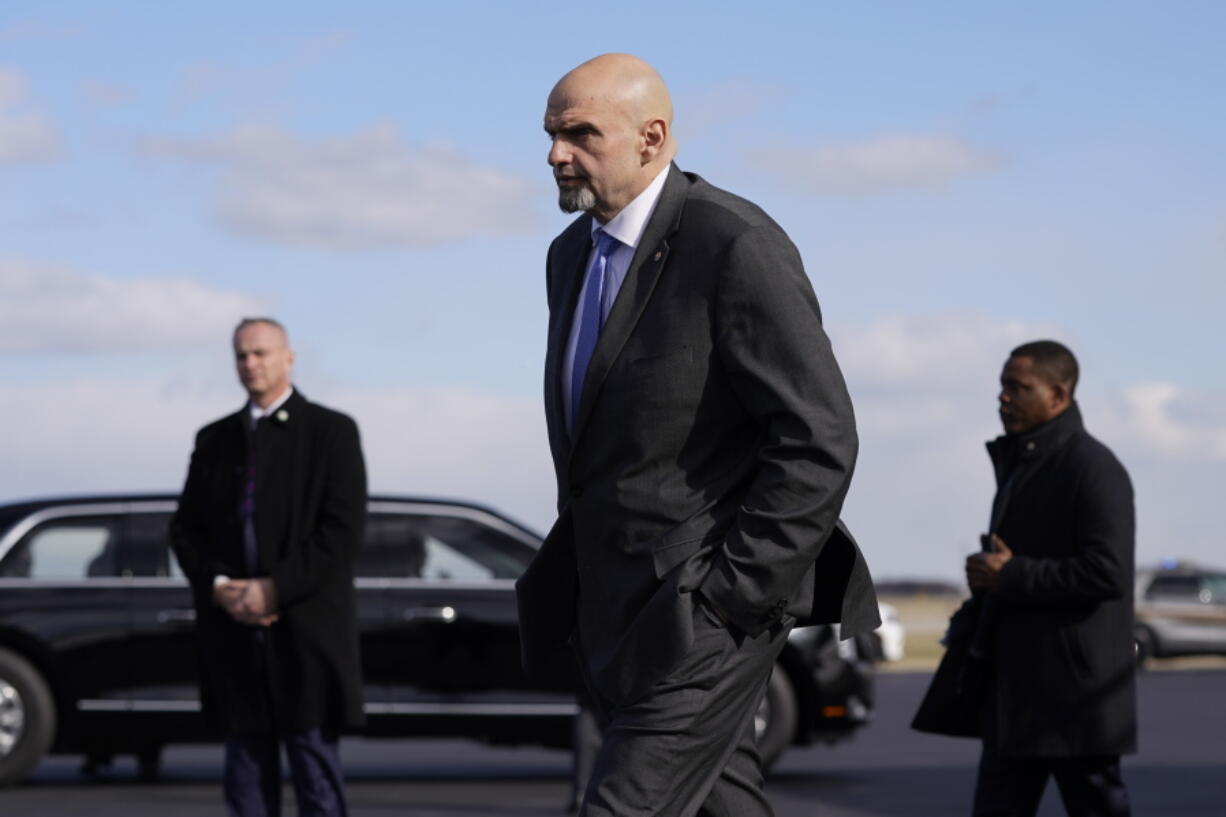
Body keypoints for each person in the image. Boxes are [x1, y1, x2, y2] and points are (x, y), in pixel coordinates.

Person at [516, 53, 879, 817]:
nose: (555, 153)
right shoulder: (569, 257)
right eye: (551, 134)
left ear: (652, 137)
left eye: (580, 133)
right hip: (613, 614)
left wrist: (732, 596)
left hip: (703, 612)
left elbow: (818, 436)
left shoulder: (733, 243)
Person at [171, 318, 367, 817]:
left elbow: (340, 532)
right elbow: (185, 530)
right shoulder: (215, 439)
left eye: (260, 353)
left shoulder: (331, 432)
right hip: (234, 638)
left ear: (288, 358)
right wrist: (221, 588)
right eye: (241, 355)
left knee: (316, 780)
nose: (250, 364)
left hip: (306, 635)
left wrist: (273, 590)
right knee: (246, 784)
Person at [964, 340, 1136, 816]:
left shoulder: (1093, 468)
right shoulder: (1023, 463)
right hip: (1017, 697)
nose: (1004, 398)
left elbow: (1110, 571)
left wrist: (1012, 574)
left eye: (1018, 388)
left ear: (1058, 396)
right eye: (1002, 386)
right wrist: (987, 575)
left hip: (1077, 702)